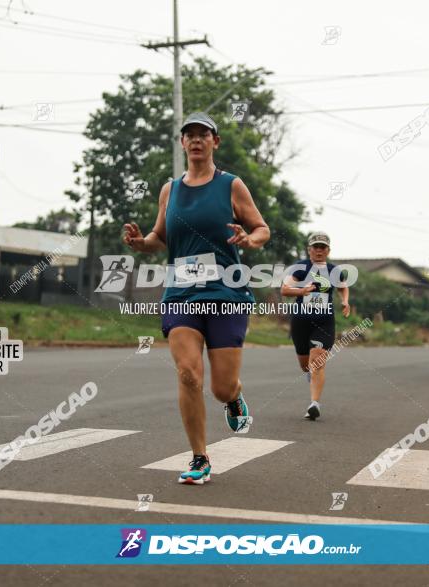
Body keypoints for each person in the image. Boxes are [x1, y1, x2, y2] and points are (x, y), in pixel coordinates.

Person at [123, 112, 270, 484]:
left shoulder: (231, 186)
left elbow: (262, 228)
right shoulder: (169, 190)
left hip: (225, 294)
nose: (197, 140)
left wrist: (249, 240)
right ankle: (199, 457)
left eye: (204, 134)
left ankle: (234, 398)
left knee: (220, 386)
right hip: (181, 293)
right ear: (182, 143)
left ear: (214, 142)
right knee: (189, 373)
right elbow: (160, 237)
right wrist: (142, 244)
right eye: (190, 134)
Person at [280, 232, 350, 420]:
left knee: (317, 362)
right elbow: (285, 289)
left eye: (323, 247)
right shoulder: (300, 267)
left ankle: (314, 404)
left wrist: (345, 301)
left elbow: (343, 286)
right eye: (316, 247)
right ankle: (310, 377)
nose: (319, 250)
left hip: (324, 321)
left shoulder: (335, 270)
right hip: (300, 321)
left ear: (328, 250)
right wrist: (302, 290)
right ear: (309, 249)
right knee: (306, 366)